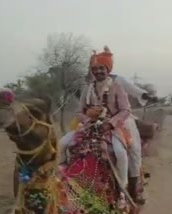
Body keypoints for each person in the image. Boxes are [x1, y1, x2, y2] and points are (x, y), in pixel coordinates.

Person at [61, 46, 145, 203]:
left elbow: (125, 110)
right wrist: (87, 120)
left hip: (113, 126)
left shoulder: (117, 86)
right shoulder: (87, 88)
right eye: (95, 69)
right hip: (88, 126)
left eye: (101, 68)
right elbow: (79, 112)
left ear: (107, 69)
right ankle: (62, 180)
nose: (98, 71)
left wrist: (110, 124)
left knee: (121, 153)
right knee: (62, 143)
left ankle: (123, 190)